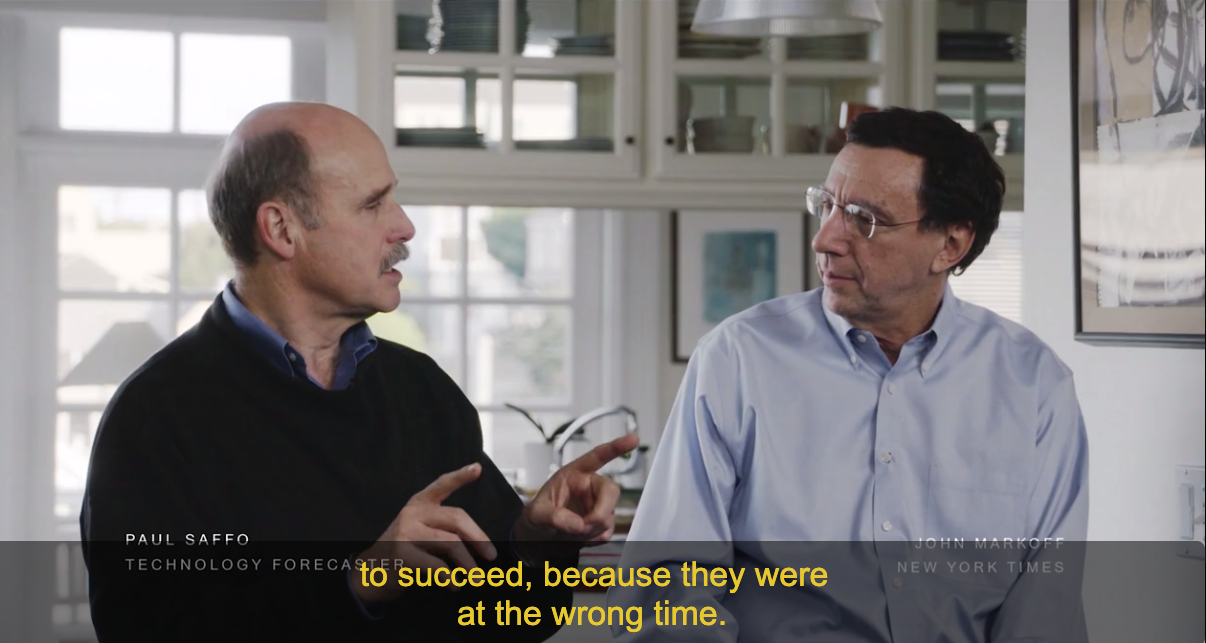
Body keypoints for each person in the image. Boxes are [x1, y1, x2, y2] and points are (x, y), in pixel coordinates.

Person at [79, 101, 638, 642]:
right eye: (373, 205)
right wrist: (361, 582)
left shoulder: (422, 391)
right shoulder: (155, 417)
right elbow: (150, 630)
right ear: (281, 229)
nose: (405, 226)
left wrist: (536, 548)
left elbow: (507, 621)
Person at [608, 107, 1089, 642]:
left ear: (950, 244)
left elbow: (1045, 603)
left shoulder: (1034, 384)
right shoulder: (738, 361)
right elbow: (667, 585)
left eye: (864, 219)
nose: (826, 239)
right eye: (827, 206)